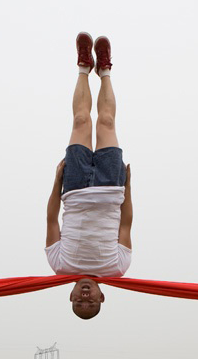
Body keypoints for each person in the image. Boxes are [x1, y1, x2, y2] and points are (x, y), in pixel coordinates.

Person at [46, 32, 133, 319]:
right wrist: (128, 187)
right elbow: (125, 225)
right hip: (110, 188)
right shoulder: (117, 268)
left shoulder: (59, 265)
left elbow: (51, 219)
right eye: (91, 302)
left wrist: (57, 183)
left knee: (81, 121)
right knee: (106, 122)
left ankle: (84, 68)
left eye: (79, 302)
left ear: (70, 295)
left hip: (73, 189)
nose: (85, 298)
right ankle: (105, 70)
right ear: (101, 296)